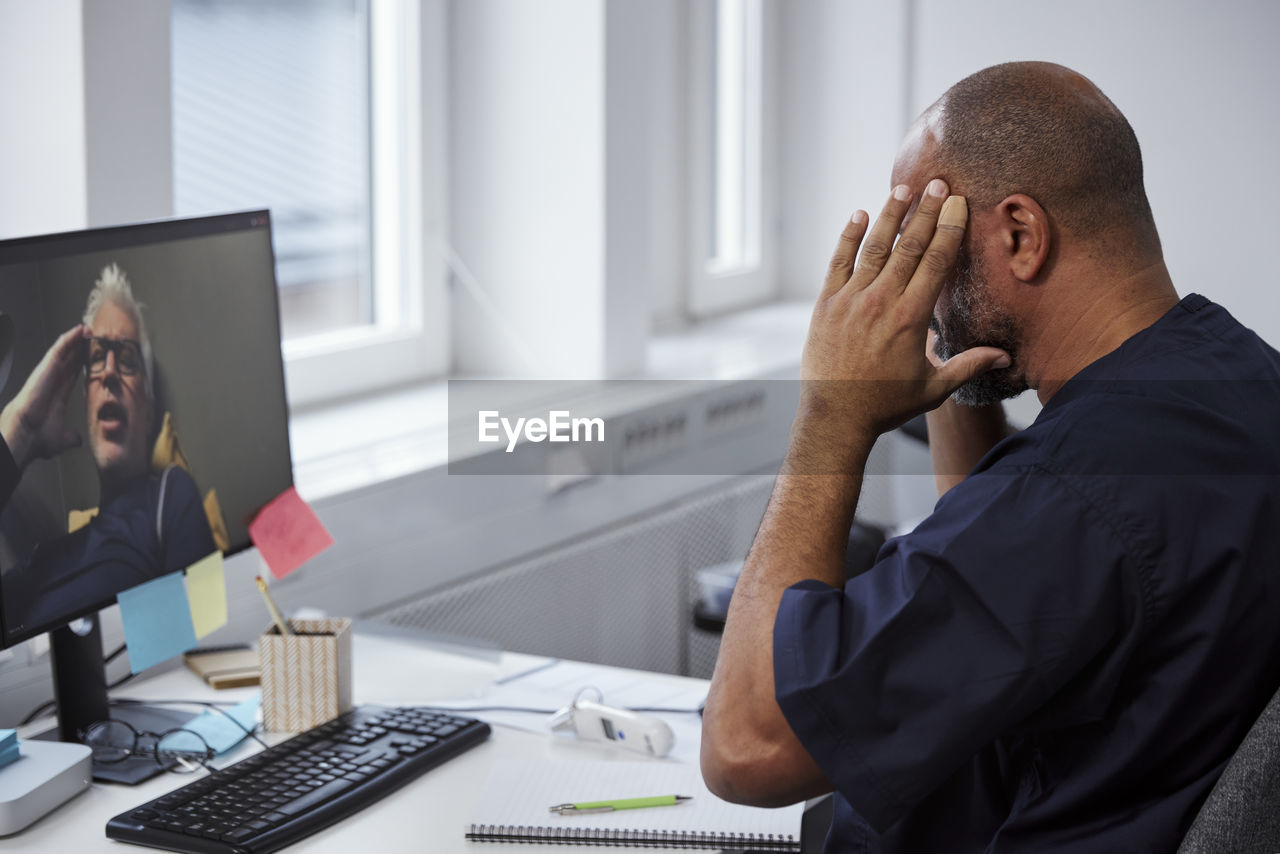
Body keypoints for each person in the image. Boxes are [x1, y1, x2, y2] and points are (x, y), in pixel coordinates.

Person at [700, 61, 1280, 852]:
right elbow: (1010, 554)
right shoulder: (1236, 380)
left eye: (926, 246)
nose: (911, 279)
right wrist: (942, 340)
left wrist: (831, 415)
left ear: (1019, 235)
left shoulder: (1070, 496)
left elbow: (746, 750)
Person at [0, 264, 214, 634]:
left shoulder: (170, 495)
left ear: (147, 410)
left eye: (126, 357)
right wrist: (20, 430)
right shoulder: (45, 558)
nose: (110, 371)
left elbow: (197, 628)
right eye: (97, 356)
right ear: (86, 401)